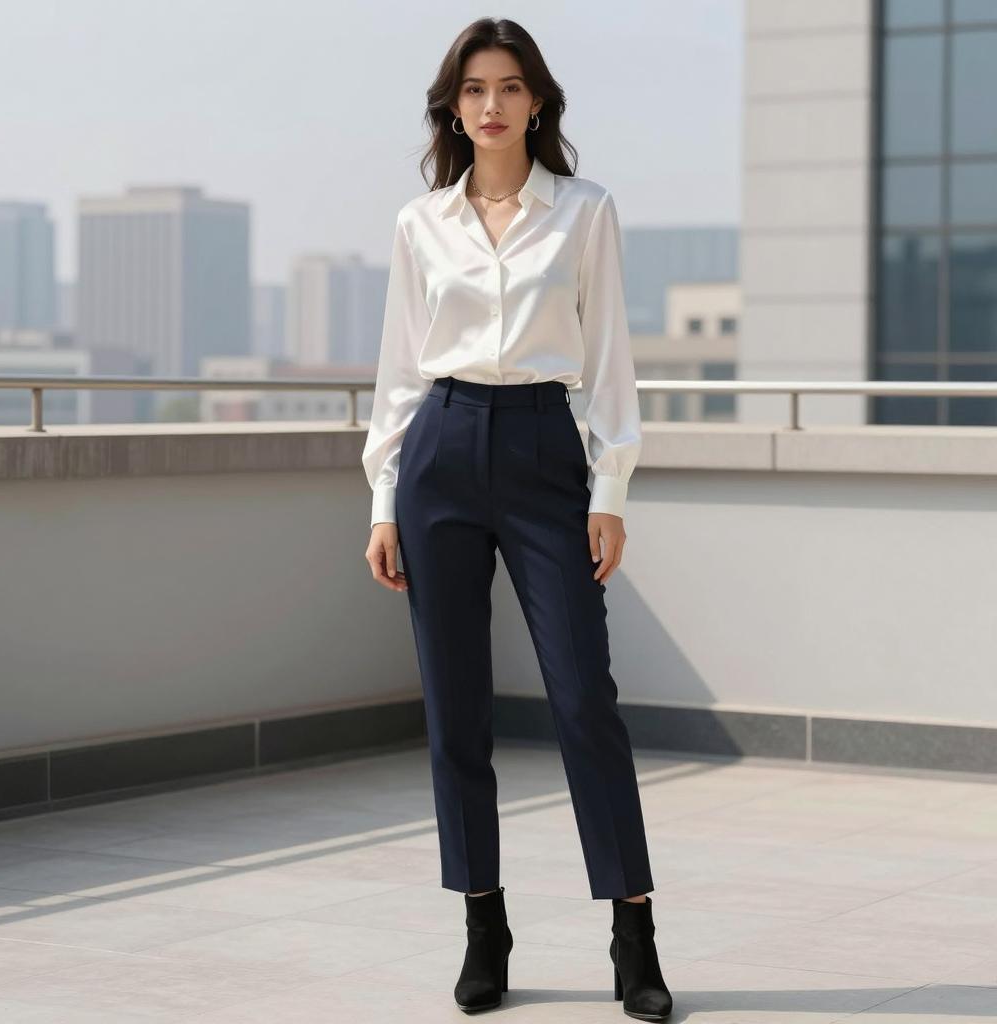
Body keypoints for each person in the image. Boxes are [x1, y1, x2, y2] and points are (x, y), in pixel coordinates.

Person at [361, 17, 672, 1020]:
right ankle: (483, 923)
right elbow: (400, 372)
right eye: (474, 89)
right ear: (453, 107)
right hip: (439, 456)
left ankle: (633, 933)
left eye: (509, 86)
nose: (491, 104)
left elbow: (611, 360)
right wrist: (381, 499)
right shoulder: (421, 223)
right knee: (456, 710)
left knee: (584, 697)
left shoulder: (583, 212)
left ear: (538, 102)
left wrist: (611, 492)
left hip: (545, 453)